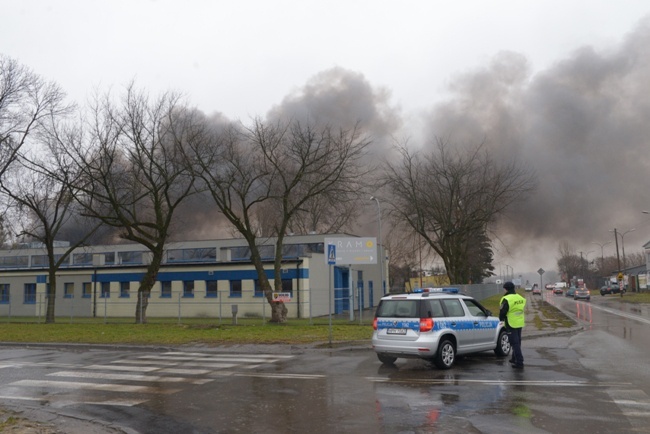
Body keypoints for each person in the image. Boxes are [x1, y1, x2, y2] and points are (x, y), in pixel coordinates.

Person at [500, 281, 526, 369]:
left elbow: (503, 311)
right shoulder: (520, 297)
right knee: (518, 341)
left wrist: (501, 319)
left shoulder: (506, 299)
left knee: (514, 343)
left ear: (506, 289)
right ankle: (514, 358)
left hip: (511, 323)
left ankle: (519, 362)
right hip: (519, 322)